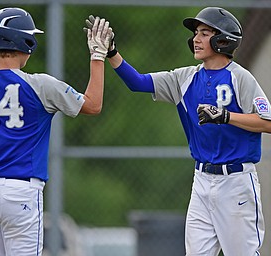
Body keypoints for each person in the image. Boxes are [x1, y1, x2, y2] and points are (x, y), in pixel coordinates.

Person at [87, 6, 271, 256]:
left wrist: (226, 116)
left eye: (205, 33)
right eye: (196, 33)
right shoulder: (184, 78)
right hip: (202, 182)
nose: (196, 39)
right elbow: (137, 82)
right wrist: (112, 53)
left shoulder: (241, 78)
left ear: (223, 40)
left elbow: (267, 122)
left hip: (236, 181)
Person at [0, 7, 112, 255]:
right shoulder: (40, 85)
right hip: (20, 191)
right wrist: (98, 56)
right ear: (24, 41)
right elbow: (93, 105)